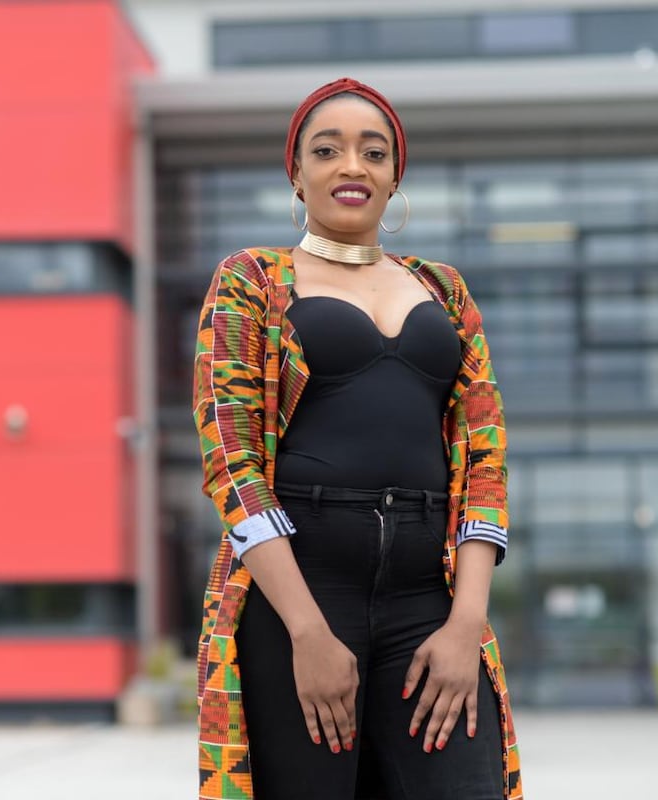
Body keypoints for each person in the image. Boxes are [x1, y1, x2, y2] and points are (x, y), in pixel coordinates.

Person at [192, 77, 522, 800]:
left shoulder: (445, 290)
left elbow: (486, 460)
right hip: (299, 597)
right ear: (297, 173)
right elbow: (231, 461)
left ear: (394, 175)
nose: (352, 165)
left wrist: (467, 622)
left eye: (373, 152)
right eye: (328, 150)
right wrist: (307, 632)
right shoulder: (253, 280)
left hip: (427, 600)